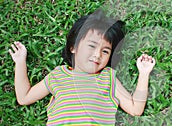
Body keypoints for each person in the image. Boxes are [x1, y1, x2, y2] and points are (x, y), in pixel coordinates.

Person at [9, 9, 155, 125]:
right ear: (73, 47)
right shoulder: (58, 75)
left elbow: (136, 109)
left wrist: (144, 73)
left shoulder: (108, 78)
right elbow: (24, 97)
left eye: (105, 51)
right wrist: (20, 61)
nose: (97, 55)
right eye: (91, 46)